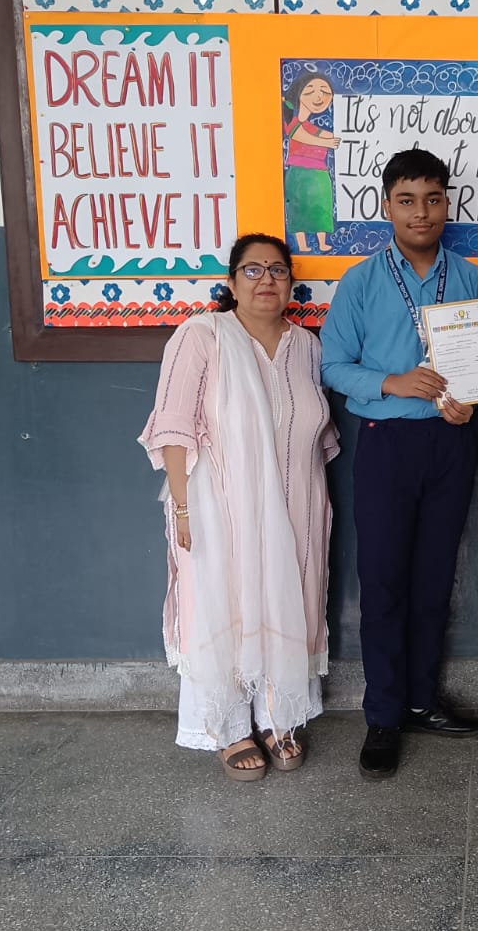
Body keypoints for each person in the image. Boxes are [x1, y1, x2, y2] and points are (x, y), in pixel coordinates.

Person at [320, 148, 478, 780]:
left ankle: (423, 701)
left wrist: (474, 399)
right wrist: (392, 382)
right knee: (383, 583)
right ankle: (383, 715)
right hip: (386, 443)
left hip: (451, 443)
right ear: (387, 206)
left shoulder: (474, 280)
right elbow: (333, 365)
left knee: (433, 580)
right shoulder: (361, 282)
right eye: (407, 200)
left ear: (447, 203)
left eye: (432, 199)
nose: (420, 212)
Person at [139, 233, 338, 781]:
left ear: (291, 283)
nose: (266, 280)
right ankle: (228, 726)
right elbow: (173, 428)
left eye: (278, 270)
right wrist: (183, 510)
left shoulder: (307, 346)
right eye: (253, 270)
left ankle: (277, 716)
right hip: (219, 506)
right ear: (231, 281)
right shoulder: (202, 336)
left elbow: (317, 431)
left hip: (297, 502)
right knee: (224, 603)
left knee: (289, 598)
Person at [283, 70, 341, 236]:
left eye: (325, 92)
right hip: (299, 173)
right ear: (299, 93)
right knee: (299, 211)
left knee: (322, 207)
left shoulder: (311, 127)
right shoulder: (291, 120)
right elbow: (298, 134)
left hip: (320, 172)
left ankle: (322, 241)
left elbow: (325, 135)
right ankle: (302, 243)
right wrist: (326, 142)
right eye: (310, 91)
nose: (319, 97)